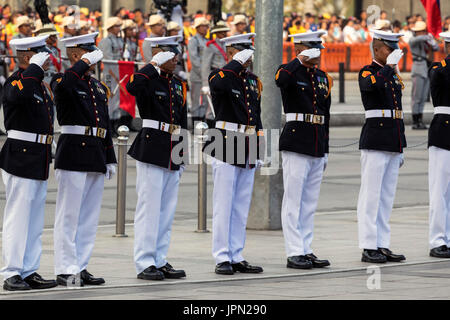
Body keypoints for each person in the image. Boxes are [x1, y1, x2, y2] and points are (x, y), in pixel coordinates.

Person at [51, 32, 117, 287]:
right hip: (73, 151)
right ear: (76, 55)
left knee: (89, 216)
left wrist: (109, 156)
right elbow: (65, 85)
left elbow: (105, 124)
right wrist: (81, 64)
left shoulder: (98, 86)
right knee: (69, 215)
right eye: (89, 53)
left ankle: (81, 265)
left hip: (95, 151)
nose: (95, 58)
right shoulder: (63, 79)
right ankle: (65, 268)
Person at [126, 36, 187, 281]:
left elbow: (181, 119)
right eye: (170, 54)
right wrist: (152, 64)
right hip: (152, 144)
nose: (176, 59)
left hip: (172, 146)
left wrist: (181, 153)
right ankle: (144, 261)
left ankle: (160, 259)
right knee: (149, 208)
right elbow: (131, 87)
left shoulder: (175, 83)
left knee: (166, 210)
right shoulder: (148, 78)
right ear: (159, 54)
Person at [204, 33, 264, 275]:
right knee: (224, 203)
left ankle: (236, 254)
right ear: (230, 53)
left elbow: (257, 115)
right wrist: (235, 63)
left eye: (249, 52)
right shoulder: (222, 75)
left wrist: (260, 149)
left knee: (240, 204)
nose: (248, 57)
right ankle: (221, 256)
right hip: (225, 140)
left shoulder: (252, 81)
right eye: (242, 52)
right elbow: (217, 85)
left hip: (247, 142)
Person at [0, 35, 57, 291]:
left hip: (39, 153)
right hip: (20, 154)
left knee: (34, 220)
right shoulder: (16, 81)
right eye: (42, 54)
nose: (48, 58)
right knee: (18, 216)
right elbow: (14, 97)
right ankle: (11, 271)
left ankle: (29, 269)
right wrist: (33, 68)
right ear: (27, 57)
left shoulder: (39, 84)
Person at [275, 31, 332, 270]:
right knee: (294, 199)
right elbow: (280, 80)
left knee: (309, 201)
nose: (317, 52)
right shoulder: (289, 70)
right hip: (296, 139)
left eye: (319, 47)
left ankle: (306, 248)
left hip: (317, 140)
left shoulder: (321, 77)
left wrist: (326, 148)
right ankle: (294, 251)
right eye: (312, 47)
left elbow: (325, 113)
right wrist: (298, 59)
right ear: (300, 49)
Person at [357, 30, 407, 264]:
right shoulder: (368, 71)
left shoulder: (392, 75)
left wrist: (401, 145)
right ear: (377, 49)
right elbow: (370, 88)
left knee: (386, 196)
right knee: (371, 195)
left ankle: (382, 244)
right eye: (389, 48)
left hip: (392, 139)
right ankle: (368, 245)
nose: (393, 52)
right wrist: (389, 68)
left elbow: (397, 112)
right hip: (375, 139)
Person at [427, 31, 450, 258]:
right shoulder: (438, 68)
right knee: (439, 190)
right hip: (443, 130)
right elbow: (442, 76)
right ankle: (437, 240)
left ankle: (449, 237)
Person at [409, 21, 439, 129]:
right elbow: (417, 40)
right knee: (416, 97)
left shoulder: (426, 40)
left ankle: (420, 119)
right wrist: (427, 36)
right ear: (417, 32)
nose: (422, 33)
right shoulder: (414, 40)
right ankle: (414, 120)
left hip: (426, 68)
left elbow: (437, 48)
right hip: (418, 68)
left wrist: (432, 41)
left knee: (422, 97)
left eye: (423, 31)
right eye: (420, 31)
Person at [201, 21, 230, 128]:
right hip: (214, 76)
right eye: (222, 32)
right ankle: (210, 127)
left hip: (225, 77)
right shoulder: (210, 46)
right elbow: (205, 65)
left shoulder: (227, 44)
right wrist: (205, 84)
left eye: (225, 32)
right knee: (211, 105)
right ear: (217, 33)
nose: (224, 34)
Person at [98, 17, 124, 137]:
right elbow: (108, 59)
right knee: (110, 99)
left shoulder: (120, 40)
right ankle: (108, 125)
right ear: (110, 27)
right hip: (110, 73)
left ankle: (114, 124)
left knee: (117, 100)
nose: (119, 28)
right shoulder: (106, 41)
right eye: (116, 26)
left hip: (119, 73)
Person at [188, 17, 210, 124]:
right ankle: (195, 122)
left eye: (207, 26)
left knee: (205, 101)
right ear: (197, 28)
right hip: (197, 76)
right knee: (196, 100)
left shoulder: (207, 41)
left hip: (206, 76)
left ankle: (202, 121)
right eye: (203, 26)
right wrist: (203, 74)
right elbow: (194, 59)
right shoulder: (193, 41)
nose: (206, 28)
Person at [34, 21, 61, 85]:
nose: (56, 38)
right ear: (47, 37)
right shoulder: (39, 50)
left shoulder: (55, 50)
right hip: (44, 79)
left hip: (55, 78)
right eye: (53, 36)